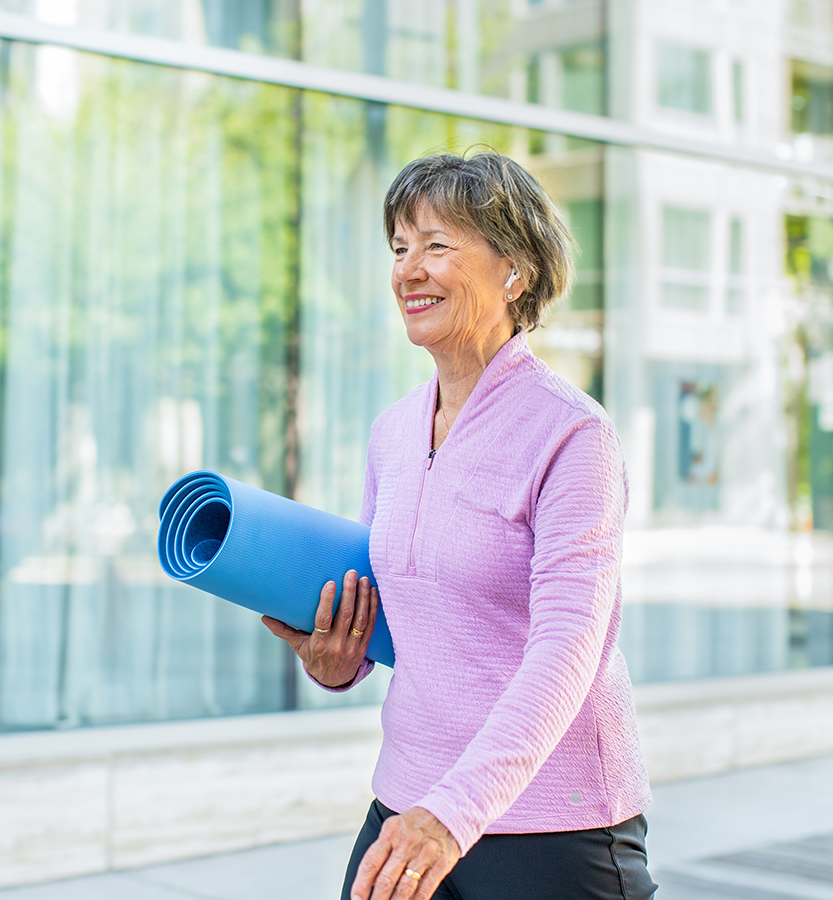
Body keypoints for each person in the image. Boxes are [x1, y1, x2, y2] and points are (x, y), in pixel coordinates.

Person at [262, 149, 656, 900]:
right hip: (409, 803)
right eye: (400, 248)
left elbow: (568, 648)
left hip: (548, 826)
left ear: (516, 268)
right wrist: (337, 659)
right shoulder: (392, 432)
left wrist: (453, 814)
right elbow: (404, 618)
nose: (408, 269)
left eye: (436, 245)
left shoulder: (572, 436)